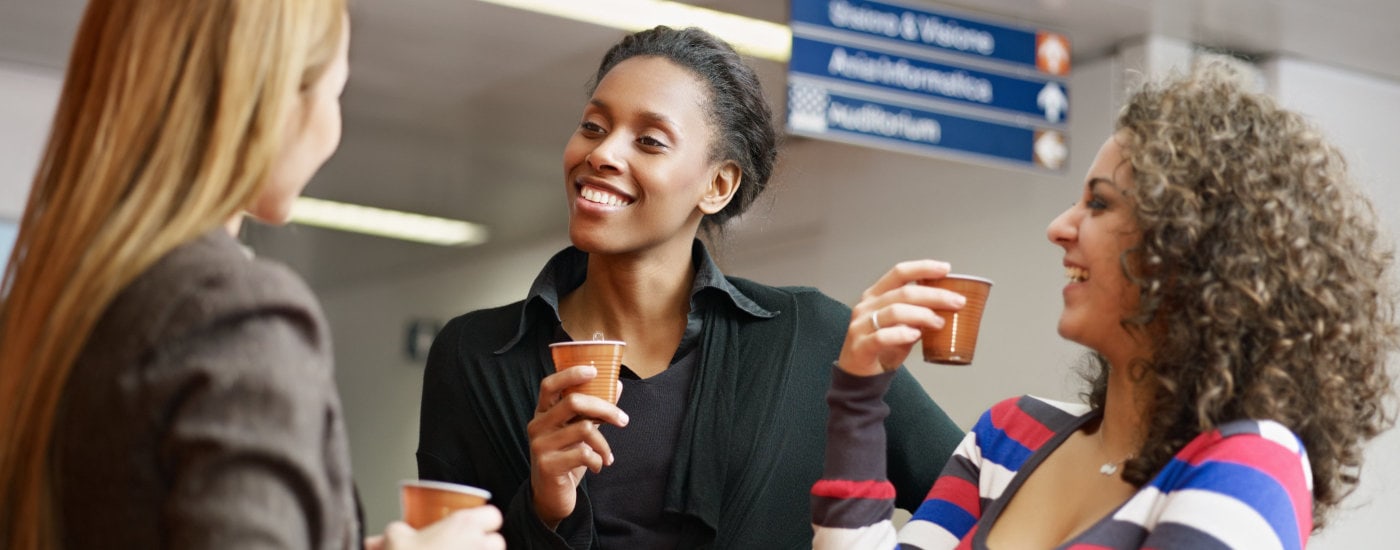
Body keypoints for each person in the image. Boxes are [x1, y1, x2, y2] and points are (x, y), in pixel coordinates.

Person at [811, 55, 1398, 549]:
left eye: (1099, 204)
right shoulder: (1008, 435)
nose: (1059, 227)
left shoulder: (1253, 466)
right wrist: (859, 396)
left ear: (1192, 247)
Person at [416, 25, 964, 548]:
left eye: (650, 141)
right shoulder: (475, 354)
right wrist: (543, 509)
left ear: (718, 185)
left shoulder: (815, 338)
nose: (602, 154)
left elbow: (984, 504)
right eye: (593, 126)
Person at [0, 1, 503, 549]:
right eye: (335, 93)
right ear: (274, 99)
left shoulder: (40, 304)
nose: (333, 128)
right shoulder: (232, 311)